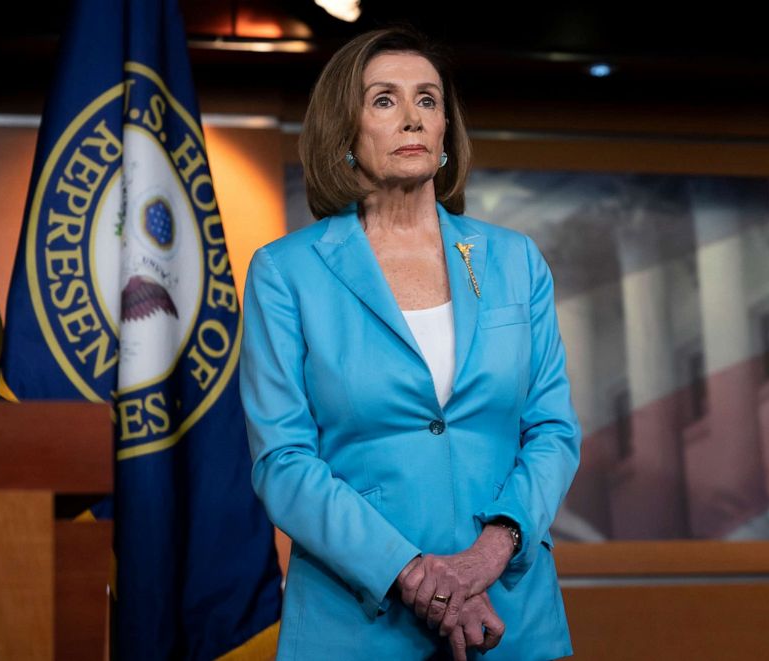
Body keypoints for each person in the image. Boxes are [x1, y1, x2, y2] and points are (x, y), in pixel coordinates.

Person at [240, 26, 581, 660]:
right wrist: (417, 574)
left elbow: (553, 431)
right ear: (345, 131)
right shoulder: (287, 272)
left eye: (427, 100)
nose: (412, 119)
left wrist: (488, 554)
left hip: (510, 615)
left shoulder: (514, 260)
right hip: (356, 624)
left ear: (447, 131)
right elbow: (283, 461)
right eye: (384, 101)